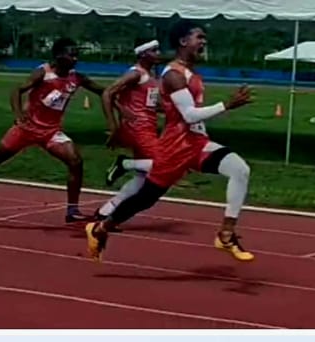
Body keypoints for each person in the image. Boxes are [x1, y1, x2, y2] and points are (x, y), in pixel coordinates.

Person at [86, 19, 255, 264]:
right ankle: (101, 228)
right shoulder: (174, 75)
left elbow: (179, 112)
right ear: (183, 41)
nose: (204, 41)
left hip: (196, 143)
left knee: (240, 169)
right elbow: (189, 115)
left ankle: (226, 234)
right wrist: (227, 105)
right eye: (199, 37)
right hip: (176, 147)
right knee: (146, 198)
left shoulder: (190, 73)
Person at [0, 38, 104, 224]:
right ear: (58, 56)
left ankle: (72, 211)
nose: (75, 59)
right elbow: (17, 91)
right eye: (71, 55)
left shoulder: (77, 78)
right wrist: (19, 116)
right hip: (27, 128)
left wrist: (121, 95)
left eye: (77, 55)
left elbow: (103, 91)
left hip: (51, 132)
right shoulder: (43, 73)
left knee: (75, 161)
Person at [95, 39, 166, 227]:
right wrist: (113, 126)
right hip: (138, 128)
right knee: (165, 165)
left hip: (147, 128)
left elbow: (152, 104)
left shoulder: (151, 76)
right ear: (143, 54)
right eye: (154, 50)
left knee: (142, 178)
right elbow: (107, 93)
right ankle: (124, 164)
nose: (158, 54)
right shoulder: (135, 74)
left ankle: (105, 212)